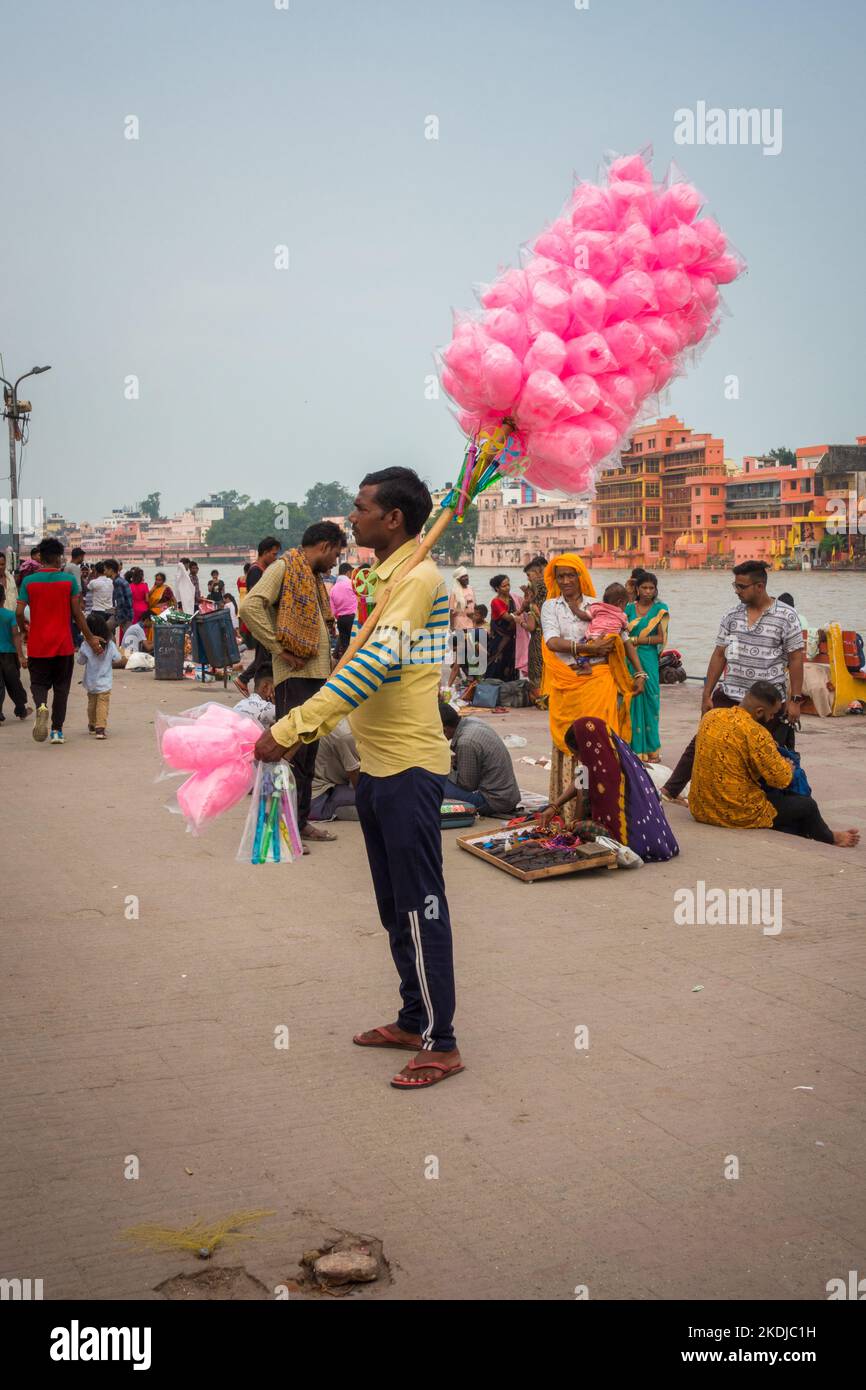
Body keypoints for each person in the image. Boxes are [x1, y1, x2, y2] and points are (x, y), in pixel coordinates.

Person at [253, 467, 463, 1090]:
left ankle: (441, 1041)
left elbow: (372, 667)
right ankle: (411, 1014)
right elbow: (360, 658)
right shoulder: (391, 575)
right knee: (392, 905)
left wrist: (292, 728)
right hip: (375, 767)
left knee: (422, 906)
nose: (353, 515)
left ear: (393, 517)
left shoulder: (420, 579)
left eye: (362, 506)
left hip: (409, 768)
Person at [662, 560, 805, 804]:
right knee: (703, 740)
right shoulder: (731, 615)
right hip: (730, 694)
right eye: (735, 585)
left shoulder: (786, 616)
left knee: (768, 752)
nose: (736, 591)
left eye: (741, 586)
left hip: (768, 702)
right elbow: (719, 655)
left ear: (760, 586)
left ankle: (773, 801)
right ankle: (670, 791)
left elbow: (795, 659)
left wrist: (795, 701)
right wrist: (706, 693)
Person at [240, 522, 344, 843]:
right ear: (324, 546)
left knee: (308, 752)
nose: (336, 562)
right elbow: (249, 606)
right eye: (337, 554)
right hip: (295, 676)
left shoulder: (311, 577)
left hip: (315, 676)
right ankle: (285, 824)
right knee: (292, 751)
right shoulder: (285, 567)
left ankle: (300, 819)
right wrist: (278, 648)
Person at [540, 553, 645, 824]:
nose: (565, 581)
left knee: (599, 746)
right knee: (570, 745)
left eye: (570, 575)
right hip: (567, 684)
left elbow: (624, 639)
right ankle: (566, 811)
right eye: (560, 576)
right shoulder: (551, 607)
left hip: (599, 682)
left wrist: (640, 671)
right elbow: (551, 641)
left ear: (580, 577)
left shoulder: (598, 605)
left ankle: (601, 810)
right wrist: (587, 647)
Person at [689, 680, 859, 847]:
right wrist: (788, 767)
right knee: (807, 806)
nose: (772, 719)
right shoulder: (756, 732)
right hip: (733, 812)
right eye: (772, 714)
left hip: (701, 808)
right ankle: (831, 838)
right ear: (759, 711)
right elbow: (781, 779)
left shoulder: (711, 716)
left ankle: (806, 832)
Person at [539, 716, 679, 862]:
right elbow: (581, 779)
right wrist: (554, 806)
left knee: (581, 828)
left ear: (587, 748)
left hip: (631, 839)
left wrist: (574, 826)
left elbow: (585, 803)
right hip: (654, 834)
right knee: (583, 775)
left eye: (576, 754)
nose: (575, 759)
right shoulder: (613, 753)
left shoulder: (608, 771)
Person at [16, 537, 104, 744]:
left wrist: (24, 630)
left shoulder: (29, 581)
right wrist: (90, 638)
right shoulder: (68, 581)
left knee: (38, 683)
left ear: (42, 558)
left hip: (38, 644)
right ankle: (57, 731)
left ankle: (41, 706)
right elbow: (77, 614)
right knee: (61, 688)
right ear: (57, 558)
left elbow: (19, 611)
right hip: (63, 644)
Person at [438, 701, 521, 816]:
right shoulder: (473, 721)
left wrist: (448, 769)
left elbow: (467, 785)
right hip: (508, 795)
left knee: (435, 782)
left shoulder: (466, 742)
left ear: (444, 729)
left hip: (493, 802)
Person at [625, 571, 669, 763]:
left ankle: (651, 749)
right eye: (644, 587)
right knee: (631, 699)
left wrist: (638, 639)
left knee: (650, 700)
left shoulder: (660, 609)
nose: (648, 592)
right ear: (637, 588)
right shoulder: (628, 609)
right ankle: (633, 748)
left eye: (651, 588)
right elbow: (619, 632)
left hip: (648, 657)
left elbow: (661, 638)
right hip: (629, 658)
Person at [235, 537, 282, 694]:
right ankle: (247, 681)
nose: (275, 558)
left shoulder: (261, 570)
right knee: (264, 658)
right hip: (260, 621)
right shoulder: (256, 571)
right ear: (265, 553)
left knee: (263, 656)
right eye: (274, 554)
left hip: (263, 620)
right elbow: (257, 600)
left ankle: (251, 683)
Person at [76, 612, 127, 739]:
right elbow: (117, 658)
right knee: (102, 704)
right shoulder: (109, 644)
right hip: (104, 682)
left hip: (91, 681)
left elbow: (80, 661)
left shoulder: (85, 644)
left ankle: (92, 724)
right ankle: (100, 728)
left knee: (91, 704)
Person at [308, 718, 361, 821]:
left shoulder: (348, 720)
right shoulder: (346, 734)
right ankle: (333, 810)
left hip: (333, 782)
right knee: (379, 799)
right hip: (321, 795)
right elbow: (356, 777)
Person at [0, 585, 31, 722]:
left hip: (7, 654)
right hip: (9, 654)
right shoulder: (10, 615)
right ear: (4, 597)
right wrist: (21, 655)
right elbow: (16, 636)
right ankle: (21, 709)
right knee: (14, 683)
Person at [521, 556, 548, 701]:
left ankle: (540, 697)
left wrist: (521, 621)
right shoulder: (544, 587)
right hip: (546, 635)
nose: (528, 579)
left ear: (538, 573)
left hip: (539, 637)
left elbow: (533, 622)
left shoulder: (540, 585)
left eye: (529, 575)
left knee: (537, 667)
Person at [487, 574, 517, 680]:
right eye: (504, 586)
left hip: (511, 639)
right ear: (497, 588)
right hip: (499, 640)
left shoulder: (512, 598)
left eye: (508, 584)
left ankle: (509, 691)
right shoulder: (496, 602)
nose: (508, 587)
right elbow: (508, 618)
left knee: (510, 665)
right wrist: (522, 608)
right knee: (497, 665)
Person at [330, 562, 358, 658]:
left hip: (341, 620)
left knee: (345, 645)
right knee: (355, 644)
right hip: (353, 619)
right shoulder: (352, 584)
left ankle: (344, 663)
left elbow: (332, 610)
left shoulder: (333, 589)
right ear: (348, 572)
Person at [104, 560, 133, 634]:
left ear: (111, 570)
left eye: (105, 570)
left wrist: (118, 617)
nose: (104, 572)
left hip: (123, 615)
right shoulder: (121, 580)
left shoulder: (117, 582)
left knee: (104, 629)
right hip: (127, 613)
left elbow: (121, 602)